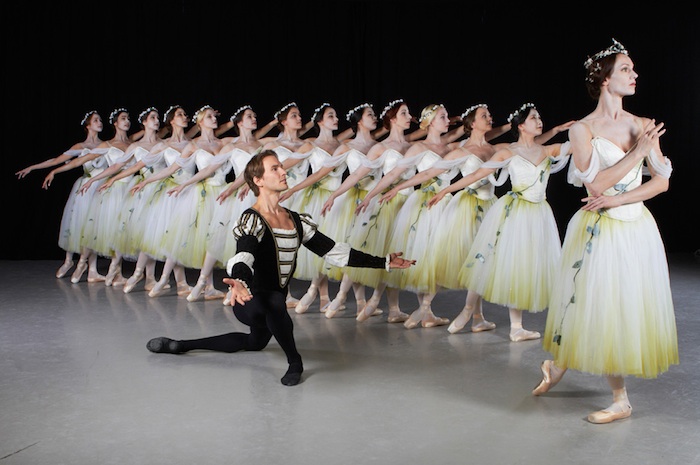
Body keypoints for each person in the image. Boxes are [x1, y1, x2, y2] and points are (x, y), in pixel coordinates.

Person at [146, 150, 415, 386]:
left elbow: (335, 252)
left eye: (281, 166)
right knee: (274, 300)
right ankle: (295, 362)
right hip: (248, 300)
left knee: (255, 342)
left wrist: (384, 262)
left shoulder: (295, 220)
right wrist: (238, 280)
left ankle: (180, 345)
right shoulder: (252, 218)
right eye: (274, 168)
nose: (282, 171)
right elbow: (245, 253)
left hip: (271, 304)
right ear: (258, 180)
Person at [531, 39, 678, 424]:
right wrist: (637, 153)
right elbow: (594, 185)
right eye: (626, 69)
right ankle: (602, 388)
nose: (634, 75)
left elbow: (661, 182)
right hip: (598, 229)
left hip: (633, 226)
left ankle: (579, 377)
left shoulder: (644, 125)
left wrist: (618, 199)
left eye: (633, 69)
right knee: (595, 302)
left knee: (620, 305)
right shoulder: (583, 129)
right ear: (605, 78)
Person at [428, 102, 572, 341]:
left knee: (525, 267)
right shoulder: (508, 152)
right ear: (522, 125)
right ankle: (468, 312)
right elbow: (476, 174)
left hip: (539, 215)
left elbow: (579, 146)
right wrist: (446, 191)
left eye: (539, 117)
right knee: (493, 260)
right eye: (534, 118)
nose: (539, 121)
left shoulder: (547, 151)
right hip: (515, 213)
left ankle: (515, 327)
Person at [17, 110, 105, 278]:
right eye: (95, 120)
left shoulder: (105, 145)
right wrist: (33, 167)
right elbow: (56, 160)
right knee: (78, 223)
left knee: (94, 226)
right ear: (88, 125)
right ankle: (69, 260)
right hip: (85, 188)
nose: (99, 123)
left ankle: (92, 269)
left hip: (100, 188)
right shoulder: (80, 147)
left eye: (100, 120)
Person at [278, 103, 343, 314]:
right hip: (315, 199)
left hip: (338, 201)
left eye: (336, 115)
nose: (336, 119)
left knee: (331, 246)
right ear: (320, 122)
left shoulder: (343, 145)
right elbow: (281, 167)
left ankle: (320, 294)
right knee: (318, 247)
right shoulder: (310, 145)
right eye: (330, 116)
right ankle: (315, 293)